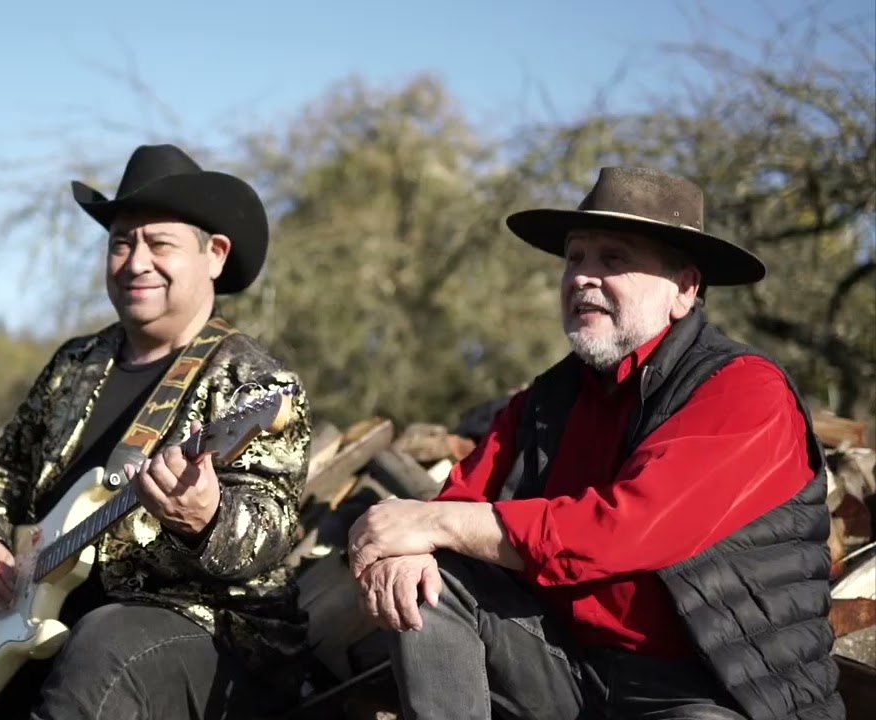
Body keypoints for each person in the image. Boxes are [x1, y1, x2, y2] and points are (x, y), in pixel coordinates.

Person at [347, 167, 842, 720]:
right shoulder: (546, 399)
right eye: (575, 257)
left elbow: (623, 527)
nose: (582, 277)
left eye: (614, 258)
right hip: (567, 668)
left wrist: (428, 525)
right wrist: (411, 546)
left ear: (684, 289)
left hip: (706, 693)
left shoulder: (744, 390)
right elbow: (457, 501)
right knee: (437, 580)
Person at [0, 143, 313, 719]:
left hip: (211, 632)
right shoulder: (76, 363)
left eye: (160, 243)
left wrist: (207, 521)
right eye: (121, 242)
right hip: (45, 626)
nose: (135, 261)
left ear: (215, 255)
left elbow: (270, 532)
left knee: (105, 644)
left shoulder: (256, 385)